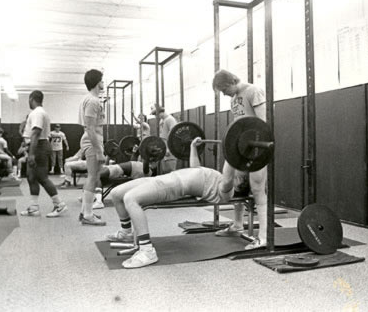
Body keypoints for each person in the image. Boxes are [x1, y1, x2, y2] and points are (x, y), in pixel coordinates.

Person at [105, 137, 236, 268]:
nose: (240, 174)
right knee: (116, 193)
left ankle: (147, 251)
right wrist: (193, 147)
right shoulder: (217, 177)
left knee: (130, 199)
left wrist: (232, 152)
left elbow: (228, 178)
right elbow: (196, 168)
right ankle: (126, 233)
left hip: (175, 185)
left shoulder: (226, 190)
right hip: (167, 178)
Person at [212, 69, 267, 250]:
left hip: (257, 147)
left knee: (258, 189)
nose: (223, 93)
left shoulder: (254, 91)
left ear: (232, 82)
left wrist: (258, 150)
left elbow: (264, 124)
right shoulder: (234, 99)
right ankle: (237, 224)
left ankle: (264, 237)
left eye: (223, 89)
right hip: (239, 148)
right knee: (230, 183)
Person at [20, 90, 67, 218]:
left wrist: (31, 154)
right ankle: (34, 207)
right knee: (31, 177)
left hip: (39, 146)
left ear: (31, 99)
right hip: (37, 145)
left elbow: (35, 133)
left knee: (41, 177)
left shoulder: (37, 113)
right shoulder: (39, 113)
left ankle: (59, 204)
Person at [78, 69, 107, 226]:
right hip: (92, 141)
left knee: (92, 176)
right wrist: (98, 151)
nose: (103, 83)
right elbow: (89, 128)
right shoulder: (92, 101)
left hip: (92, 140)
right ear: (97, 82)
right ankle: (88, 215)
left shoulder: (91, 100)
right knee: (92, 177)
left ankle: (85, 211)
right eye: (102, 80)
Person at [150, 104, 177, 174]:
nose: (156, 116)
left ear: (161, 112)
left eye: (156, 114)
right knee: (165, 172)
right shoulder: (162, 121)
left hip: (169, 150)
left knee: (170, 172)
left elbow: (174, 136)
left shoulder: (170, 120)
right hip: (163, 149)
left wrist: (169, 149)